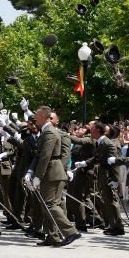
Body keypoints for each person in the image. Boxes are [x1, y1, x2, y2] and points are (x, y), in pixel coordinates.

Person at [27, 106, 80, 247]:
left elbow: (45, 156)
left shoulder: (49, 132)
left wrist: (38, 175)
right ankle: (52, 236)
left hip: (52, 172)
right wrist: (31, 171)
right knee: (48, 205)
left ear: (44, 116)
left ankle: (71, 232)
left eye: (36, 114)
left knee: (50, 204)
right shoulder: (46, 131)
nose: (34, 117)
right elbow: (39, 155)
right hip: (50, 171)